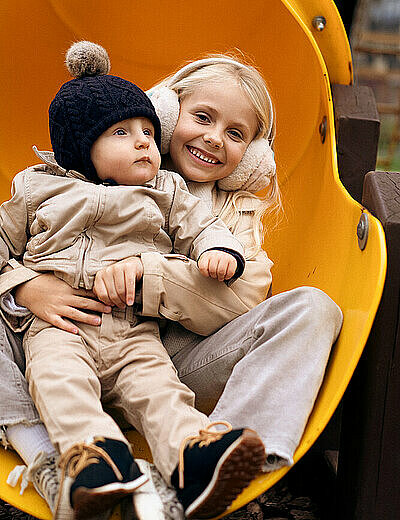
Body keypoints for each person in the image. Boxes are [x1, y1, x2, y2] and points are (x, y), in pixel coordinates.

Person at [0, 47, 342, 517]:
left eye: (236, 134)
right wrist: (24, 286)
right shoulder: (54, 183)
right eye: (202, 117)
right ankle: (61, 456)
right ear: (166, 110)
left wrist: (147, 273)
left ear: (253, 156)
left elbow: (241, 298)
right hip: (59, 334)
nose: (214, 139)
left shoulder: (229, 213)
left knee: (313, 308)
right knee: (48, 361)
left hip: (164, 357)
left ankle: (211, 462)